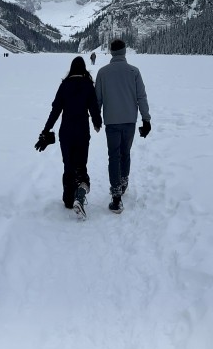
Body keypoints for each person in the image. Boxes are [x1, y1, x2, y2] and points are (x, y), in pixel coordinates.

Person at [39, 56, 102, 218]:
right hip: (82, 131)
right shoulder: (88, 85)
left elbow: (55, 110)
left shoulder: (64, 85)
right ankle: (79, 196)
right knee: (80, 164)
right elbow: (94, 107)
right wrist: (97, 122)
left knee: (68, 164)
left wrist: (46, 130)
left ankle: (68, 199)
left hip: (66, 132)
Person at [95, 38, 151, 214]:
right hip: (129, 121)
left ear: (111, 52)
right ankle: (124, 180)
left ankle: (116, 196)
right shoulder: (134, 71)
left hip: (111, 121)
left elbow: (98, 100)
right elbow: (141, 97)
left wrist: (96, 119)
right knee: (125, 153)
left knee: (114, 156)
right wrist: (146, 119)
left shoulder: (103, 73)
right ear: (125, 51)